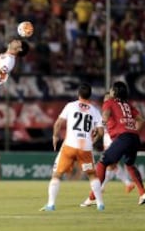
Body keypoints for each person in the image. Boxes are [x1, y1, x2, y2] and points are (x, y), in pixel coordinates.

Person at [81, 81, 145, 207]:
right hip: (134, 138)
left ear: (115, 91)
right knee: (129, 164)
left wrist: (99, 126)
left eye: (112, 89)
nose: (110, 91)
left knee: (102, 163)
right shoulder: (127, 104)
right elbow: (141, 120)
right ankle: (143, 193)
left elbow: (105, 115)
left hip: (123, 137)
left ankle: (92, 198)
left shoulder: (109, 102)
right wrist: (133, 131)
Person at [40, 83, 104, 211]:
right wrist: (94, 139)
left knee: (57, 174)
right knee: (92, 176)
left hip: (69, 146)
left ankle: (51, 204)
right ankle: (100, 204)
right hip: (85, 148)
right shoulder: (95, 110)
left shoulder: (71, 106)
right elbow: (101, 132)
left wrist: (55, 137)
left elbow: (58, 123)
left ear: (78, 94)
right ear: (90, 95)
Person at [100, 92, 135, 194]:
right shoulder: (106, 109)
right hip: (107, 138)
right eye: (105, 99)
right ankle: (127, 184)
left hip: (112, 138)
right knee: (111, 164)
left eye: (108, 99)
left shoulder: (112, 109)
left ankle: (127, 183)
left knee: (110, 163)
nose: (106, 101)